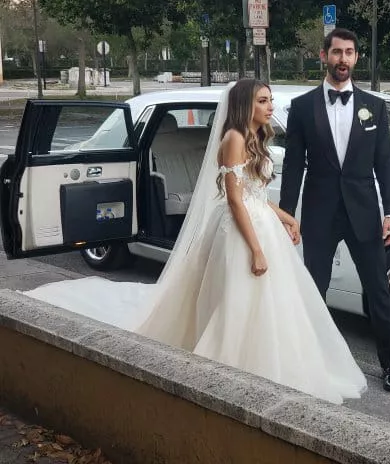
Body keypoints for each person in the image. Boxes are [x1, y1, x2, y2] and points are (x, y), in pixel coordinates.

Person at [24, 79, 367, 405]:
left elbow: (256, 195)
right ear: (245, 105)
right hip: (240, 230)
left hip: (260, 221)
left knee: (272, 301)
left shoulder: (253, 138)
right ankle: (231, 366)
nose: (270, 107)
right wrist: (257, 249)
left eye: (270, 100)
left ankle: (272, 361)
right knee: (239, 297)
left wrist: (287, 218)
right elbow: (235, 201)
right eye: (263, 101)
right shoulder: (233, 138)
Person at [279, 28, 390, 393]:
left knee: (379, 291)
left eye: (349, 53)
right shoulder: (302, 107)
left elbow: (385, 165)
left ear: (356, 57)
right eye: (337, 53)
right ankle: (312, 363)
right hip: (320, 212)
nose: (343, 59)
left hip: (364, 214)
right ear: (324, 56)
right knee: (315, 289)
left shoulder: (374, 106)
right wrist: (287, 215)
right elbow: (293, 166)